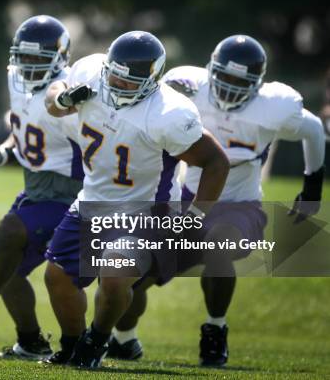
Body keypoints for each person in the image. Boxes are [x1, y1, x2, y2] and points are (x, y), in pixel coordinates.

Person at [110, 34, 325, 367]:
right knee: (134, 274)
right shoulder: (187, 87)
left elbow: (313, 130)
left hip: (240, 204)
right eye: (224, 77)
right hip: (185, 199)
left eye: (240, 81)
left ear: (257, 83)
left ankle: (215, 330)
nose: (229, 87)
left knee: (219, 244)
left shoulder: (274, 106)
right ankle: (124, 340)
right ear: (211, 70)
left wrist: (312, 186)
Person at [42, 31, 230, 368]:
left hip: (145, 209)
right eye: (114, 76)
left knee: (115, 279)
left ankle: (96, 341)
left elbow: (216, 162)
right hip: (93, 199)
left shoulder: (168, 113)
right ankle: (71, 345)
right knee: (56, 277)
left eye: (129, 82)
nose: (118, 85)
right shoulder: (90, 72)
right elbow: (53, 98)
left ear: (152, 80)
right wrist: (63, 99)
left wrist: (195, 217)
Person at [0, 15, 82, 360]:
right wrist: (5, 150)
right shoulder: (17, 81)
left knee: (8, 232)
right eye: (25, 57)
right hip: (35, 190)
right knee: (7, 270)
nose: (30, 66)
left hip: (71, 193)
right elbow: (25, 127)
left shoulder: (67, 93)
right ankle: (30, 341)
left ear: (60, 58)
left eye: (39, 58)